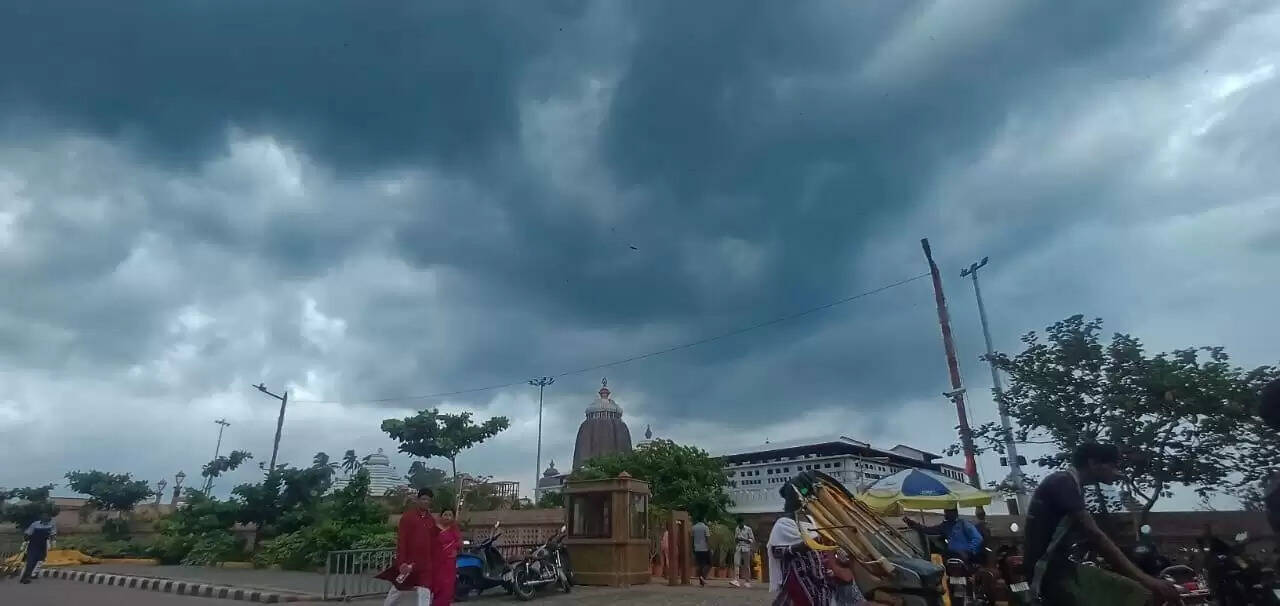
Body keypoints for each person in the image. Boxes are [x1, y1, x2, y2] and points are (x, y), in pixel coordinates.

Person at [1022, 443, 1180, 605]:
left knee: (1135, 592)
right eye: (1112, 466)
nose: (1115, 472)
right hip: (1047, 571)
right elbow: (1096, 536)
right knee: (1137, 595)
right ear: (1093, 463)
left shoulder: (1071, 485)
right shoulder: (1063, 482)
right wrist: (1147, 580)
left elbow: (1092, 538)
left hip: (1064, 568)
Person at [382, 488, 439, 606]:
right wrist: (401, 562)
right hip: (408, 564)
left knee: (425, 592)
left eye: (428, 500)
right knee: (397, 590)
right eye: (423, 499)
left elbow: (434, 542)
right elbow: (402, 541)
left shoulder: (431, 520)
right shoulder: (408, 518)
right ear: (418, 500)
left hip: (425, 565)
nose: (426, 502)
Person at [902, 506, 983, 562]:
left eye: (948, 512)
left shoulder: (964, 524)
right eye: (946, 512)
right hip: (951, 555)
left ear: (955, 513)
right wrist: (913, 524)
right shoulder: (945, 526)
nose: (945, 514)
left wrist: (969, 551)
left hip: (966, 555)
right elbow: (929, 530)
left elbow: (978, 538)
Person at [431, 507, 462, 606]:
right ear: (441, 516)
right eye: (445, 514)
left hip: (449, 563)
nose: (447, 517)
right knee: (437, 586)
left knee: (447, 587)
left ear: (453, 517)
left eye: (450, 515)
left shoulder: (454, 529)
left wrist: (453, 548)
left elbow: (459, 543)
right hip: (436, 562)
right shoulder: (434, 528)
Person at [20, 512, 56, 584]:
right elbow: (27, 534)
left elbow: (53, 534)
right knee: (31, 562)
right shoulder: (35, 524)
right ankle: (24, 578)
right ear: (41, 519)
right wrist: (24, 543)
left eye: (47, 519)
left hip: (43, 545)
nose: (46, 520)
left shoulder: (51, 525)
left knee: (40, 560)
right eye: (44, 518)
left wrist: (53, 544)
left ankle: (33, 574)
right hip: (33, 545)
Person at [731, 517, 755, 587]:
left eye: (741, 523)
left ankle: (747, 581)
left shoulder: (748, 529)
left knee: (746, 565)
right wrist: (737, 539)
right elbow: (735, 539)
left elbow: (751, 540)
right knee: (736, 563)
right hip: (738, 547)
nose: (740, 525)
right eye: (738, 523)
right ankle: (736, 580)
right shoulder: (737, 528)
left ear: (743, 522)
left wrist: (743, 539)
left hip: (746, 548)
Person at [691, 518, 711, 586]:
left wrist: (692, 547)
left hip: (697, 548)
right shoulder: (705, 527)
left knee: (699, 564)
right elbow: (707, 538)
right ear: (703, 520)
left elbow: (692, 538)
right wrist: (709, 547)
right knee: (709, 563)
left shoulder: (693, 527)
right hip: (704, 548)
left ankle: (701, 580)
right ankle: (703, 577)